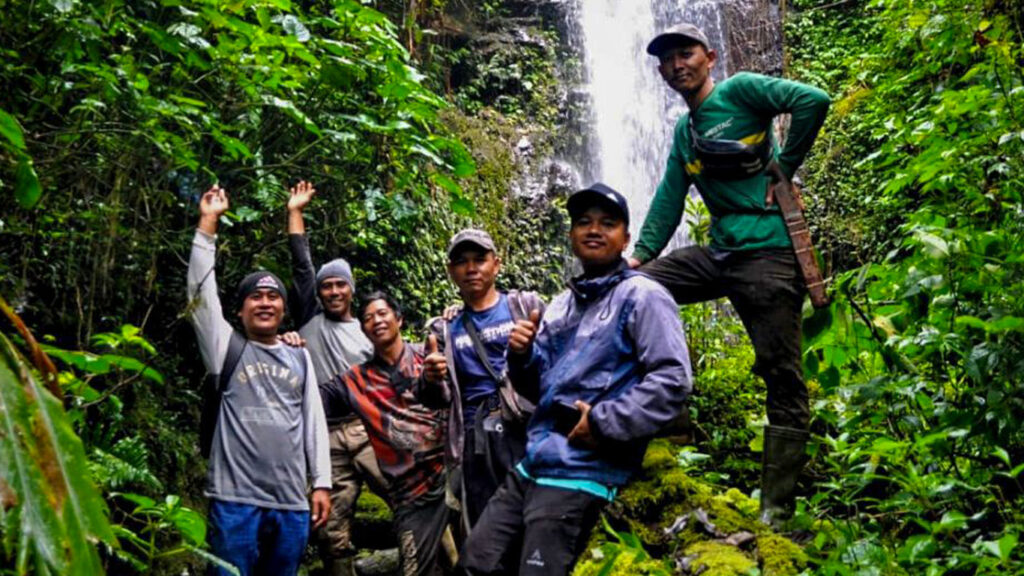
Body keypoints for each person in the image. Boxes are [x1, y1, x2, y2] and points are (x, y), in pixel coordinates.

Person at [631, 23, 831, 524]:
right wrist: (638, 256)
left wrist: (785, 165)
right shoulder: (685, 132)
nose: (678, 64)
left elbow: (814, 99)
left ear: (710, 57)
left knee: (781, 374)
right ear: (660, 72)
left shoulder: (741, 91)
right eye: (668, 59)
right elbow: (668, 200)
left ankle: (776, 513)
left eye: (686, 53)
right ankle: (670, 408)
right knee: (637, 287)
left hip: (768, 254)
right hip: (721, 253)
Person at [460, 184, 692, 576]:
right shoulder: (563, 305)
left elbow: (673, 380)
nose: (593, 230)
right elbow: (537, 388)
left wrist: (603, 422)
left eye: (607, 223)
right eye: (583, 222)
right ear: (571, 236)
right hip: (533, 462)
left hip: (584, 471)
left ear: (626, 238)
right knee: (475, 561)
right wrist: (521, 356)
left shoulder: (643, 297)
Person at [186, 185, 331, 576]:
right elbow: (201, 295)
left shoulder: (300, 355)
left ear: (284, 308)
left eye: (273, 296)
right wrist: (208, 223)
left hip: (291, 503)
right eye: (256, 296)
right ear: (241, 308)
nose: (265, 302)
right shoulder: (225, 348)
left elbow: (313, 423)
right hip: (235, 501)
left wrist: (321, 483)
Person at [285, 181, 389, 576]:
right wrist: (295, 211)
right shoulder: (309, 315)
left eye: (339, 285)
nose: (331, 291)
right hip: (322, 436)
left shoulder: (369, 329)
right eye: (326, 286)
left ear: (350, 289)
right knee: (329, 528)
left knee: (406, 496)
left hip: (366, 428)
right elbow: (300, 263)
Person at [321, 292, 454, 576]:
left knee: (479, 560)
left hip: (456, 478)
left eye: (382, 313)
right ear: (363, 329)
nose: (376, 321)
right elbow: (311, 401)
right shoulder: (355, 381)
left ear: (399, 319)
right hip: (412, 495)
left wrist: (458, 313)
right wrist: (286, 350)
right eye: (368, 317)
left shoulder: (430, 355)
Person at [423, 229, 545, 531]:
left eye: (480, 259)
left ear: (497, 264)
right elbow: (436, 398)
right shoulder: (446, 329)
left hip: (526, 429)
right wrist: (430, 378)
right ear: (451, 271)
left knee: (534, 521)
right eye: (462, 261)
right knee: (485, 527)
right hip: (475, 442)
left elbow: (559, 364)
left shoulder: (524, 307)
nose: (471, 268)